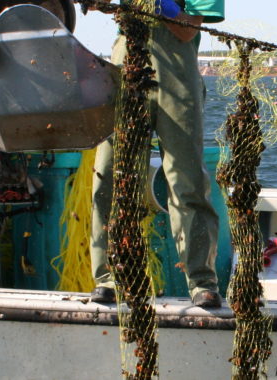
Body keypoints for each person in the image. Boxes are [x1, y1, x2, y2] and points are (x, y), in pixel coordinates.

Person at [90, 0, 225, 308]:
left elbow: (187, 30)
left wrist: (165, 6)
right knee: (109, 176)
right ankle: (108, 278)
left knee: (187, 180)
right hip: (125, 68)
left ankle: (202, 280)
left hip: (177, 76)